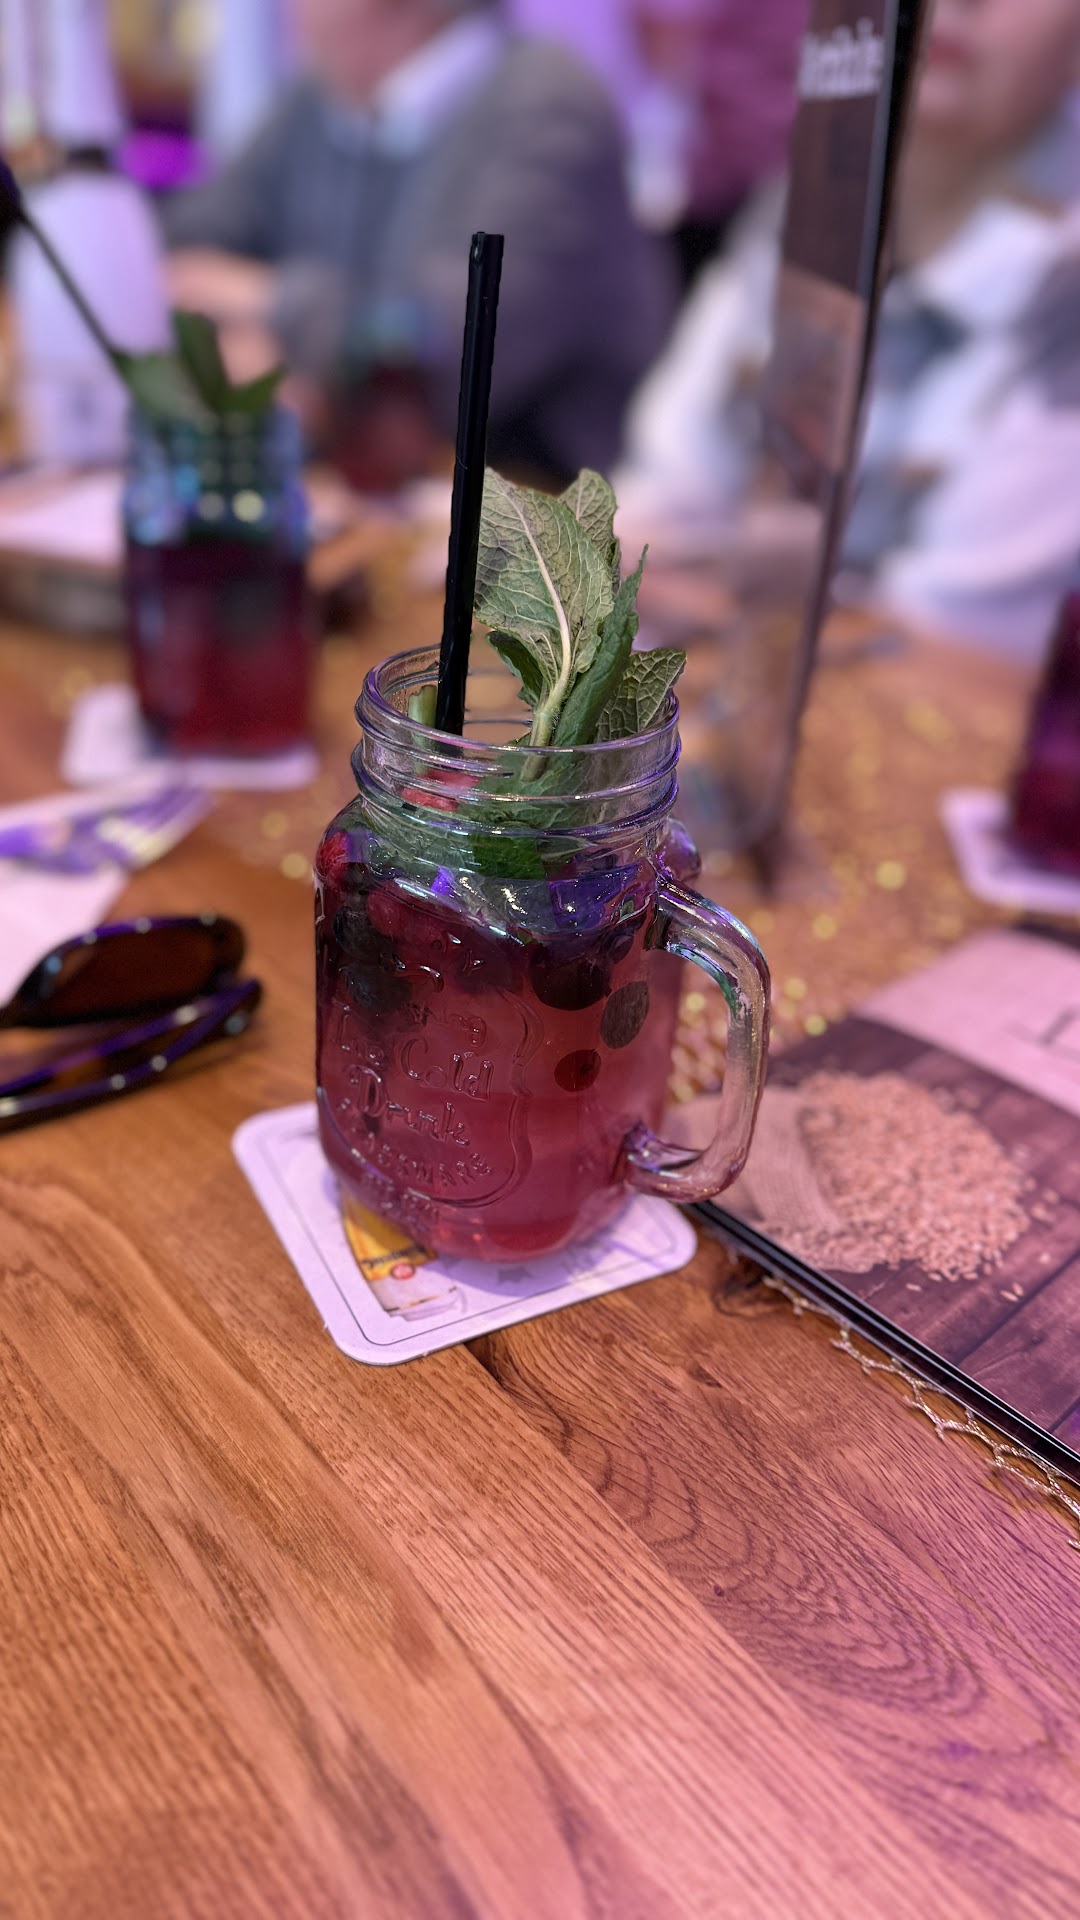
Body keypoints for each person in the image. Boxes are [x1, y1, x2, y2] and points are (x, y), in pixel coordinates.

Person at [616, 0, 1080, 659]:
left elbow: (953, 639)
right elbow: (661, 503)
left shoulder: (1065, 287)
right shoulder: (802, 192)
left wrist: (694, 578)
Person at [162, 0, 672, 486]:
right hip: (347, 495)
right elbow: (178, 258)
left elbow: (439, 353)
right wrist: (253, 348)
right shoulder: (323, 95)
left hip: (520, 515)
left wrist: (270, 303)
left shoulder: (546, 105)